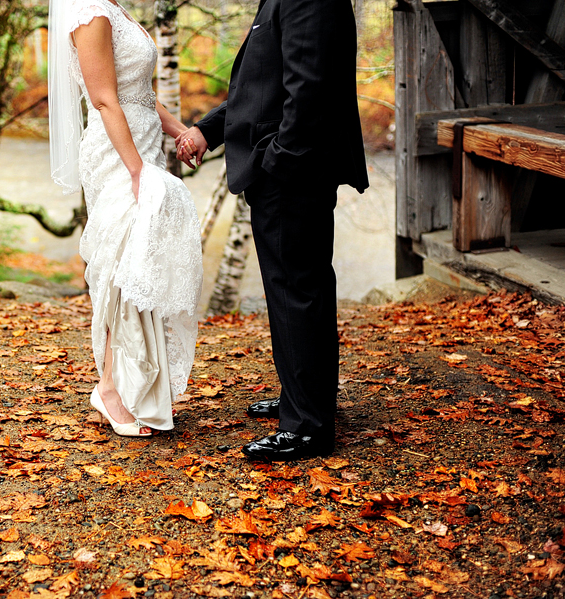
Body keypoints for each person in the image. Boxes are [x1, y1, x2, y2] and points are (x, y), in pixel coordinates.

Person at [175, 0, 369, 460]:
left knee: (297, 291)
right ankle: (303, 401)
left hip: (293, 175)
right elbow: (261, 87)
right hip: (289, 172)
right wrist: (208, 130)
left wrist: (276, 162)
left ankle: (308, 427)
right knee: (296, 291)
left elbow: (309, 90)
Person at [48, 0, 203, 436]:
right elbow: (103, 98)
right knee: (121, 267)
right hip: (118, 153)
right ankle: (111, 390)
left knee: (142, 265)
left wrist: (182, 133)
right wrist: (136, 169)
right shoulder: (88, 11)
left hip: (145, 144)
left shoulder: (115, 7)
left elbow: (140, 95)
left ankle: (136, 387)